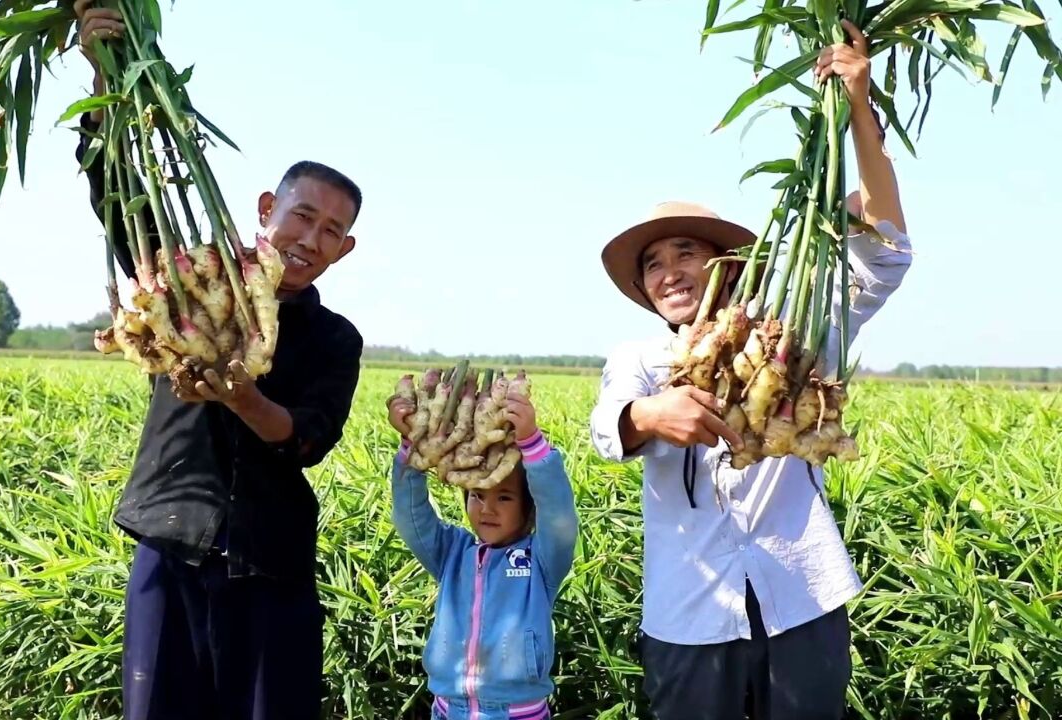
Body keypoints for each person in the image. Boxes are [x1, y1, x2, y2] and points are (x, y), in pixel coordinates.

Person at [588, 20, 912, 720]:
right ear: (643, 289)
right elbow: (607, 428)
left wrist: (859, 112)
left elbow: (884, 247)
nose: (670, 271)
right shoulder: (640, 360)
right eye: (653, 263)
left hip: (802, 599)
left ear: (725, 265)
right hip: (688, 615)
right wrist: (649, 415)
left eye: (684, 253)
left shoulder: (790, 331)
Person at [72, 3, 365, 718]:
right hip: (170, 544)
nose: (311, 239)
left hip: (272, 566)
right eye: (302, 215)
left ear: (345, 249)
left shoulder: (336, 339)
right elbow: (123, 202)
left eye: (332, 231)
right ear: (268, 206)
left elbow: (308, 437)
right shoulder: (191, 282)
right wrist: (103, 85)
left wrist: (242, 397)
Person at [385, 380, 579, 720]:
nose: (487, 509)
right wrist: (411, 448)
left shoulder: (541, 560)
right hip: (448, 710)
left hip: (517, 713)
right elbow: (410, 516)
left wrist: (533, 446)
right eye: (477, 495)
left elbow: (559, 518)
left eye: (504, 497)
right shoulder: (452, 553)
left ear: (529, 507)